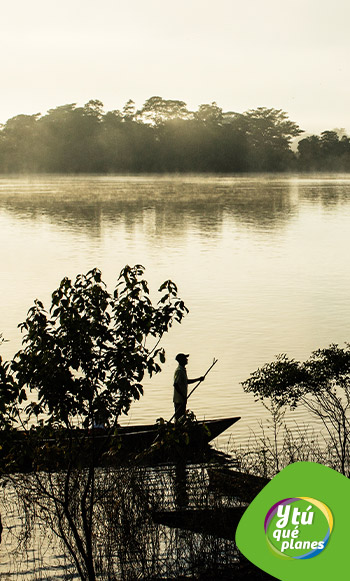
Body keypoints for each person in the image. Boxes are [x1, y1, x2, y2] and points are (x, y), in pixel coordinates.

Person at [173, 353, 204, 421]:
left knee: (182, 417)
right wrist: (182, 396)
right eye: (185, 358)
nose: (187, 360)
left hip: (182, 399)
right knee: (179, 417)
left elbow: (186, 381)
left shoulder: (182, 370)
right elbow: (176, 385)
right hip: (179, 399)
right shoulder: (179, 371)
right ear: (181, 360)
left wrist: (198, 379)